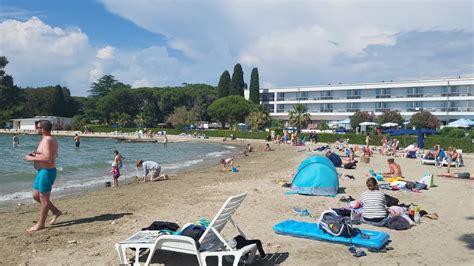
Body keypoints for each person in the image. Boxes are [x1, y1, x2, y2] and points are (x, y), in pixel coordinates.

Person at [24, 120, 62, 232]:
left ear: (43, 129)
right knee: (36, 196)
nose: (37, 129)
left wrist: (30, 158)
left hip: (47, 171)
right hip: (42, 171)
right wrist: (36, 154)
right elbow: (52, 155)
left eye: (38, 127)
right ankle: (56, 212)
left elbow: (48, 159)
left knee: (44, 198)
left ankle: (41, 224)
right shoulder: (47, 139)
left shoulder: (48, 140)